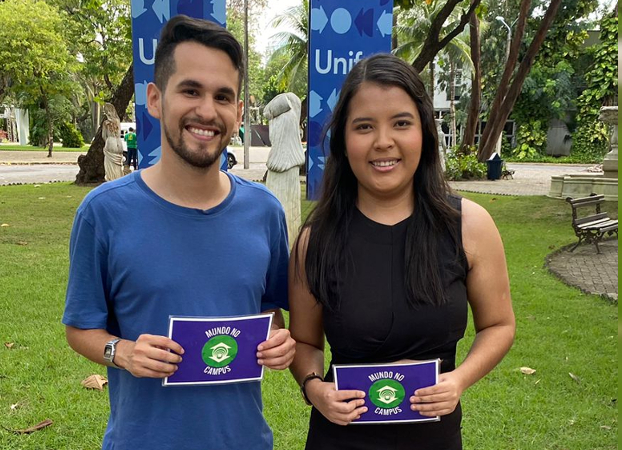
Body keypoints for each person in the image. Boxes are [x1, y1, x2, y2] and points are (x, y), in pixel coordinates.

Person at [63, 16, 296, 450]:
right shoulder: (104, 212)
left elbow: (270, 315)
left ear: (239, 112)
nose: (207, 111)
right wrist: (123, 353)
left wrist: (278, 342)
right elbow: (80, 327)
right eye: (190, 91)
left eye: (223, 97)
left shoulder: (264, 211)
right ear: (155, 99)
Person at [288, 54, 515, 449]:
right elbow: (305, 342)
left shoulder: (469, 225)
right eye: (364, 127)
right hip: (338, 439)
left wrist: (458, 379)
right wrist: (314, 388)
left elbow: (499, 326)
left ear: (423, 131)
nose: (383, 142)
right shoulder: (316, 238)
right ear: (343, 139)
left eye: (401, 123)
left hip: (434, 436)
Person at [102, 103, 124, 181]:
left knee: (109, 166)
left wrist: (107, 142)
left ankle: (112, 179)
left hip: (111, 142)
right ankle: (118, 178)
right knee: (118, 166)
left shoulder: (106, 123)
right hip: (119, 142)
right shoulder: (117, 121)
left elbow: (104, 136)